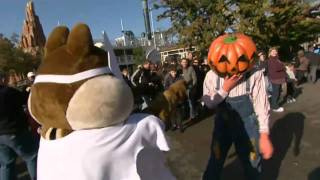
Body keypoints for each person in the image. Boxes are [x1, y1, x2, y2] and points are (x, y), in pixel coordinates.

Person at [202, 68, 273, 180]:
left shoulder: (254, 73)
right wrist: (225, 89)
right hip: (222, 125)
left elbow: (261, 105)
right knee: (215, 159)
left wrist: (264, 134)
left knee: (253, 162)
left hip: (248, 124)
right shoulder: (211, 75)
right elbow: (209, 103)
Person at [0, 71, 38, 180]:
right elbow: (24, 99)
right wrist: (27, 91)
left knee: (6, 164)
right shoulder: (7, 92)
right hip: (14, 131)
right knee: (31, 156)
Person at [267, 47, 286, 112]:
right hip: (275, 79)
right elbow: (276, 68)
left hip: (278, 79)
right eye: (273, 51)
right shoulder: (271, 60)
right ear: (270, 53)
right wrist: (283, 66)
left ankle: (274, 104)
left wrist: (282, 65)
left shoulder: (276, 59)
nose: (274, 52)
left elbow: (279, 66)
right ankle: (274, 107)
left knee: (277, 92)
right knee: (276, 93)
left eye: (275, 51)